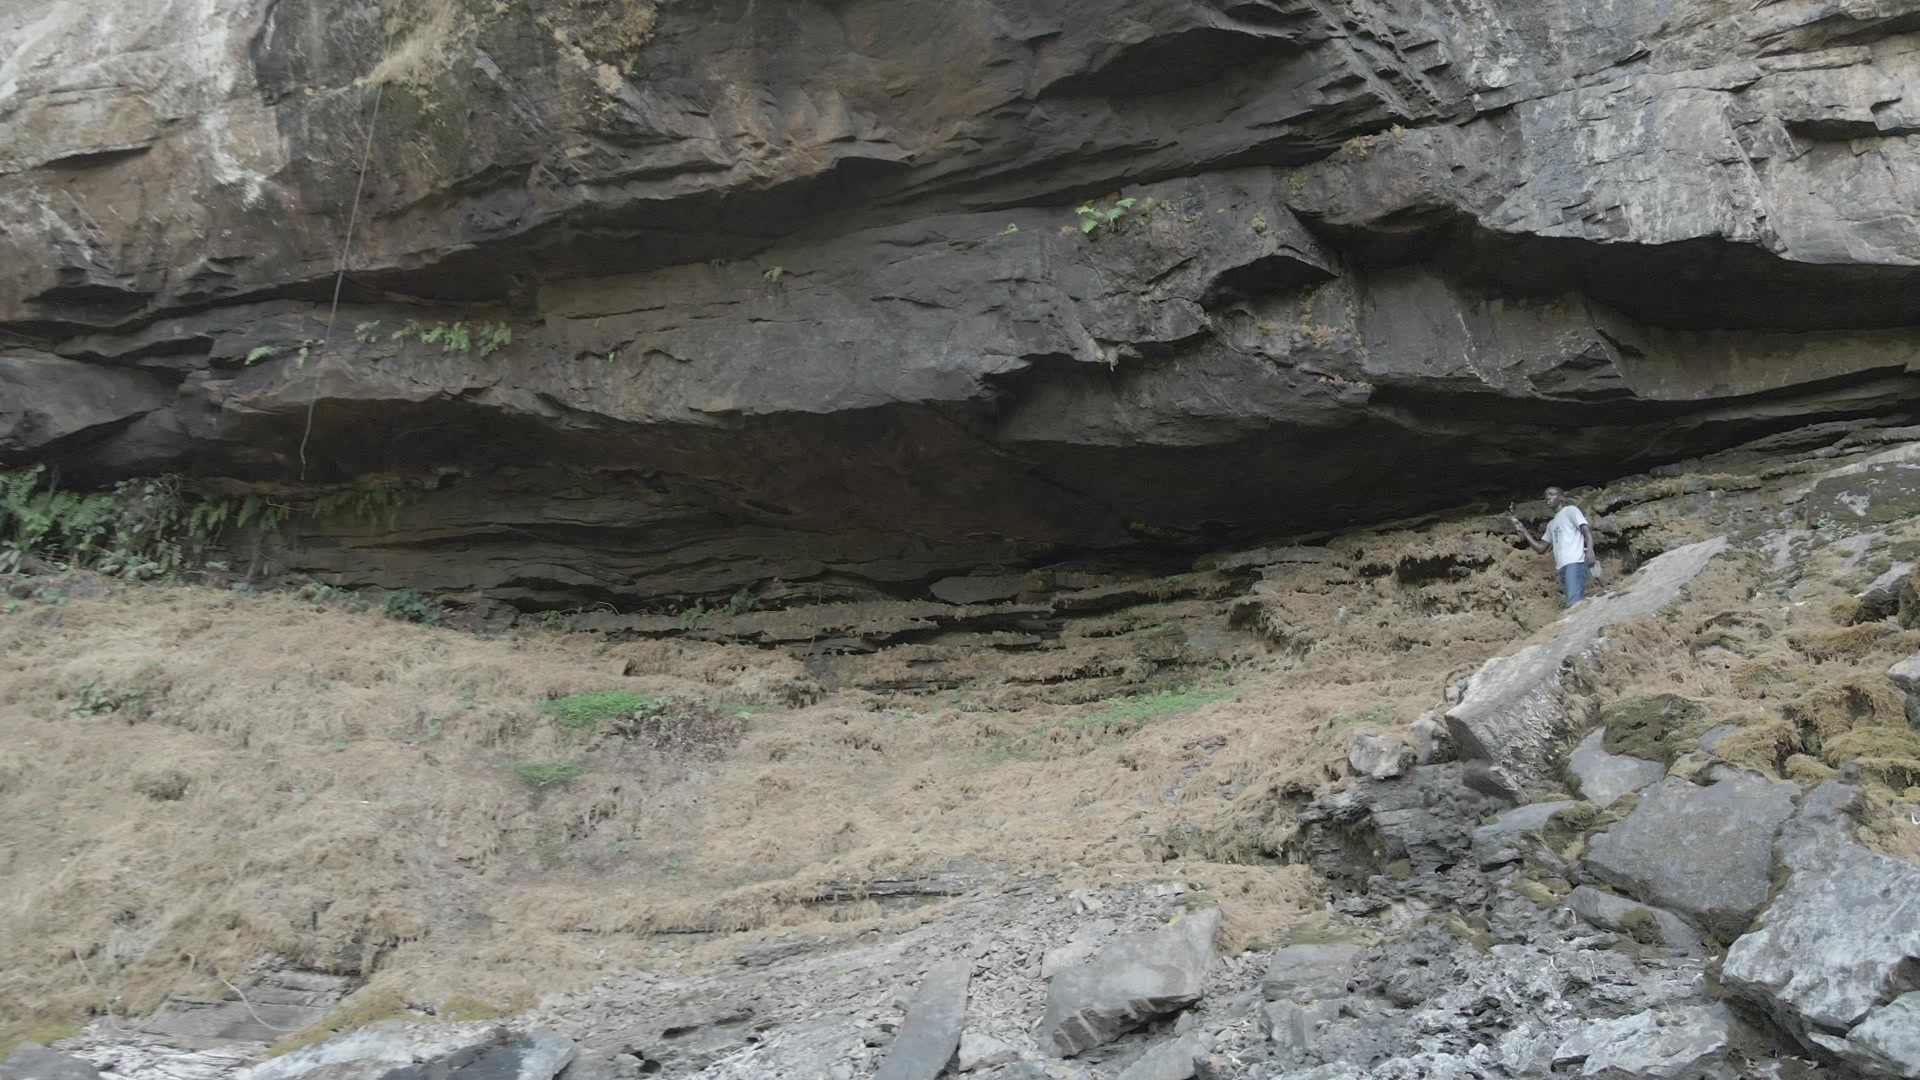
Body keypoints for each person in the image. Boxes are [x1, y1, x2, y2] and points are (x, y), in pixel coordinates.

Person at [1511, 487, 1597, 606]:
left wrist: (1590, 550)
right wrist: (1523, 529)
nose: (1548, 497)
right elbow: (1541, 548)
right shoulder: (1551, 524)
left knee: (1574, 602)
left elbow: (1586, 530)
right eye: (1546, 495)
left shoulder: (1570, 511)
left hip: (1575, 562)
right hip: (1562, 567)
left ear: (1561, 497)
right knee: (1574, 601)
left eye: (1552, 494)